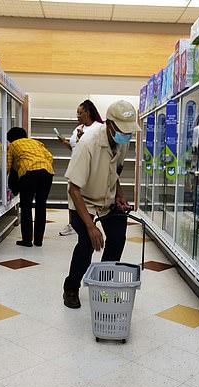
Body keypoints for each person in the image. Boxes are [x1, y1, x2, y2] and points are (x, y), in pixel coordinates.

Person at [62, 100, 141, 309]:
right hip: (83, 199)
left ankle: (104, 285)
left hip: (107, 197)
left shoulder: (122, 142)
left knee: (116, 237)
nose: (127, 135)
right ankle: (71, 288)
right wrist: (90, 226)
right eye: (123, 130)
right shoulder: (88, 144)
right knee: (87, 242)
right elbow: (74, 189)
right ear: (110, 124)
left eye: (130, 131)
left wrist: (120, 195)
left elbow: (114, 172)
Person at [57, 100, 104, 236]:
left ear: (88, 113)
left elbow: (98, 148)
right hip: (76, 167)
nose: (77, 116)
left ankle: (89, 225)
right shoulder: (79, 128)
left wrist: (83, 139)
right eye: (77, 113)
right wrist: (66, 142)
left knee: (86, 199)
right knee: (72, 197)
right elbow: (74, 146)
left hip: (90, 170)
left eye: (80, 113)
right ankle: (72, 224)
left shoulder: (99, 128)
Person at [6, 127, 54, 247]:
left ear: (10, 138)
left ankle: (27, 240)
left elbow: (7, 165)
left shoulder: (13, 145)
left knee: (26, 206)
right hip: (47, 172)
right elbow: (49, 157)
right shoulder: (36, 142)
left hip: (29, 173)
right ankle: (38, 240)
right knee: (41, 206)